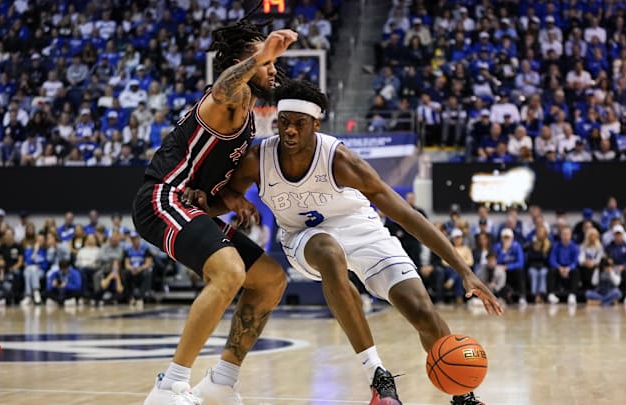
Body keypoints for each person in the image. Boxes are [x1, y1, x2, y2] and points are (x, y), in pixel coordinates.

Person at [224, 79, 502, 405]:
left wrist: (462, 269)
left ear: (316, 123)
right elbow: (223, 194)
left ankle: (463, 396)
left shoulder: (340, 160)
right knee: (329, 251)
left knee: (422, 311)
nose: (290, 132)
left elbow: (407, 216)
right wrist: (230, 199)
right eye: (283, 122)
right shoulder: (259, 159)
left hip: (362, 230)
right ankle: (378, 377)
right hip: (304, 238)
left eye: (299, 124)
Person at [135, 12, 296, 405]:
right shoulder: (228, 98)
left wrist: (230, 200)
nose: (273, 69)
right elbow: (226, 87)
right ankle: (169, 386)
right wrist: (260, 57)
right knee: (229, 270)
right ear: (243, 65)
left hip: (189, 203)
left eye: (274, 63)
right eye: (267, 62)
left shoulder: (247, 115)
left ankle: (222, 380)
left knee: (271, 279)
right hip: (160, 197)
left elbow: (208, 187)